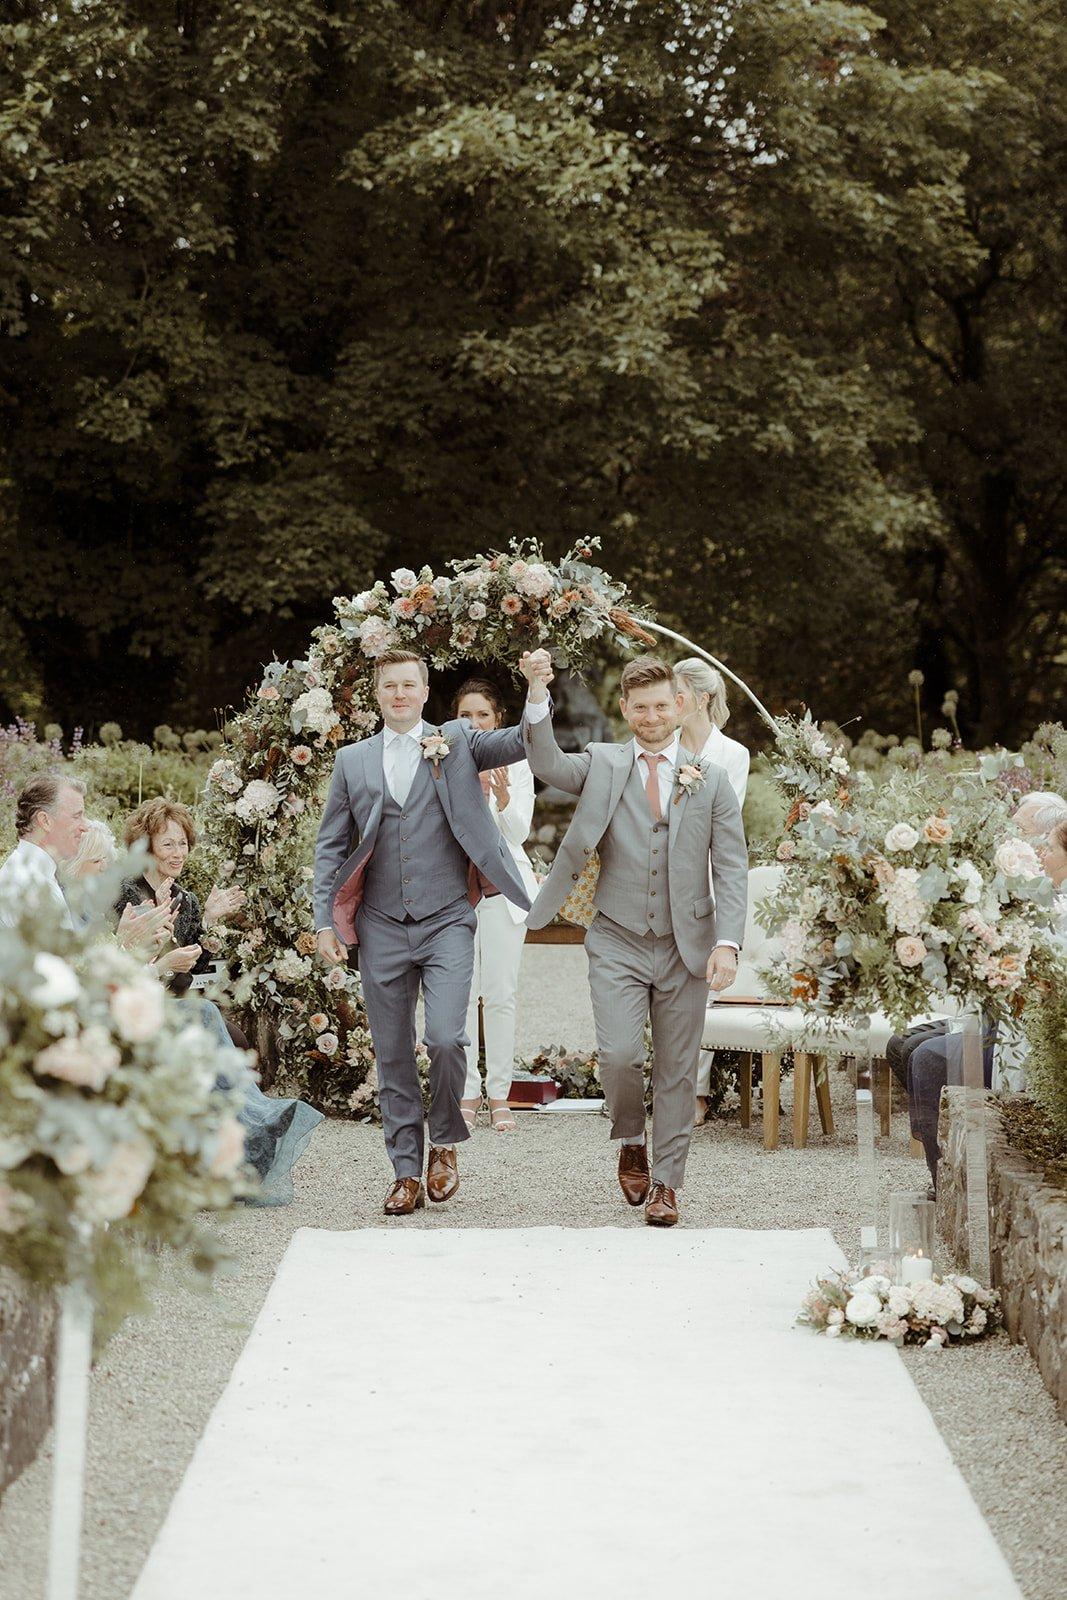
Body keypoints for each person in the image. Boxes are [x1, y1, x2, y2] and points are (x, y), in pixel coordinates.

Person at [521, 650, 748, 1227]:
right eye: (640, 707)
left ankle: (667, 1185)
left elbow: (731, 868)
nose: (651, 717)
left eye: (661, 706)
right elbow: (545, 761)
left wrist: (728, 942)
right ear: (624, 707)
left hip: (685, 943)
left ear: (681, 705)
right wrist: (538, 694)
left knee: (677, 1068)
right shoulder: (603, 763)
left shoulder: (712, 779)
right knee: (620, 1055)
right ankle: (630, 1139)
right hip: (617, 937)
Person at [313, 650, 536, 1215]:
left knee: (444, 1038)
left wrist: (536, 692)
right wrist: (324, 920)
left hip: (446, 920)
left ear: (424, 690)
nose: (399, 694)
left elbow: (519, 742)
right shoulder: (352, 760)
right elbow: (331, 846)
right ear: (377, 693)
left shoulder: (457, 740)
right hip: (381, 924)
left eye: (408, 685)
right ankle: (405, 1172)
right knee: (391, 1054)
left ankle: (445, 1142)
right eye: (389, 685)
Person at [117, 798, 322, 1205]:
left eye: (183, 844)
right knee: (210, 1017)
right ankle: (257, 1127)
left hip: (175, 1002)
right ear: (145, 847)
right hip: (136, 1006)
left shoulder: (187, 900)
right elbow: (120, 961)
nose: (178, 853)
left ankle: (232, 1152)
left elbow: (192, 969)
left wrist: (207, 920)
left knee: (235, 1039)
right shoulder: (124, 893)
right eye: (168, 844)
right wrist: (160, 957)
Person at [454, 678, 539, 1133]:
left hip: (503, 890)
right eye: (465, 716)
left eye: (482, 715)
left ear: (498, 719)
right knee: (462, 995)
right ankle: (467, 1091)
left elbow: (519, 832)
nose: (474, 723)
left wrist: (503, 800)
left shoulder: (517, 761)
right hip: (456, 890)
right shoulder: (444, 758)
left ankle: (500, 1093)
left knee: (501, 993)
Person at [675, 658, 751, 1124]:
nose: (670, 702)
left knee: (702, 989)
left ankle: (695, 1092)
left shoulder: (733, 754)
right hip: (666, 876)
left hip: (707, 875)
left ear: (701, 698)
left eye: (678, 693)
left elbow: (727, 819)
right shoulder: (663, 746)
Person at [62, 815, 172, 955]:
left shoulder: (91, 904)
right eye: (96, 861)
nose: (104, 867)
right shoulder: (63, 904)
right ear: (74, 862)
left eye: (106, 860)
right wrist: (123, 939)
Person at [0, 771, 88, 930]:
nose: (85, 826)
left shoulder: (31, 872)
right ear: (45, 821)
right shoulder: (32, 885)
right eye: (76, 816)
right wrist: (125, 940)